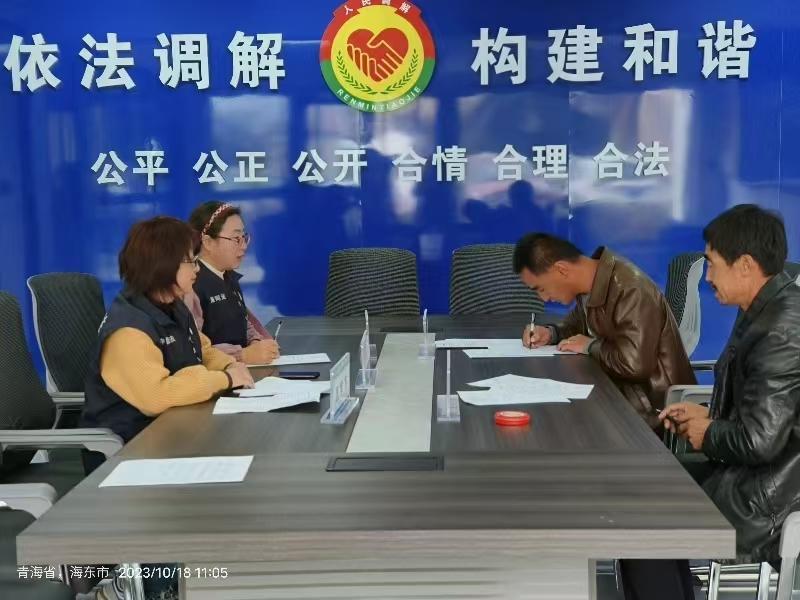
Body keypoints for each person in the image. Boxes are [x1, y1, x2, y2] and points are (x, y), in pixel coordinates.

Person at [623, 205, 800, 600]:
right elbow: (769, 411)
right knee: (641, 490)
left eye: (712, 264)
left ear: (746, 266)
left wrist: (708, 432)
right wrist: (710, 416)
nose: (707, 276)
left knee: (640, 520)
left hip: (773, 495)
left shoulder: (781, 331)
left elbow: (759, 442)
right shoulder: (764, 304)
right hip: (761, 471)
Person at [80, 216, 254, 600]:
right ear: (162, 265)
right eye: (189, 261)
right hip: (128, 451)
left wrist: (230, 367)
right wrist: (221, 380)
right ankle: (138, 588)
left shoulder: (171, 306)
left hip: (170, 436)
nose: (196, 269)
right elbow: (155, 395)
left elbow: (202, 350)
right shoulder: (129, 329)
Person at [513, 233, 695, 427]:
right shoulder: (594, 282)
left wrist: (590, 346)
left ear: (562, 270)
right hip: (623, 395)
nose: (544, 299)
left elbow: (633, 365)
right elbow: (576, 327)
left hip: (656, 413)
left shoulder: (630, 290)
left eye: (541, 289)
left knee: (558, 425)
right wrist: (550, 333)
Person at [185, 201, 280, 365]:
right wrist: (242, 355)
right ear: (208, 242)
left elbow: (243, 321)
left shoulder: (228, 276)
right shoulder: (190, 284)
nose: (243, 246)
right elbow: (192, 348)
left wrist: (256, 342)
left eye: (244, 237)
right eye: (236, 238)